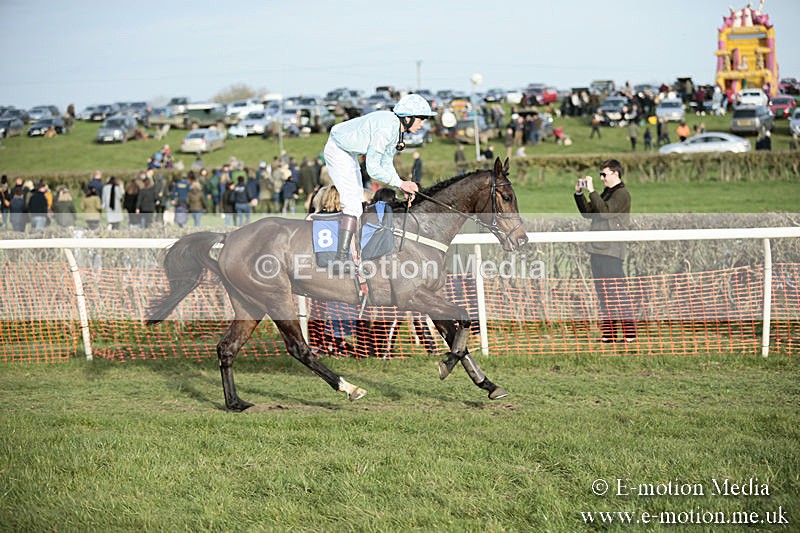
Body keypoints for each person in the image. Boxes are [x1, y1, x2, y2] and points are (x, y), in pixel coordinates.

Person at [323, 93, 430, 270]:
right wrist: (400, 183)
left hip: (348, 152)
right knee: (353, 207)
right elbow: (373, 168)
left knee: (359, 203)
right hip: (338, 150)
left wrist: (400, 183)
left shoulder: (396, 130)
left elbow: (385, 163)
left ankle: (353, 251)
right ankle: (340, 259)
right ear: (408, 118)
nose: (422, 124)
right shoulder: (387, 128)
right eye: (421, 119)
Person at [574, 159, 636, 343]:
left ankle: (629, 334)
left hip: (611, 252)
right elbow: (589, 213)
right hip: (598, 251)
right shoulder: (607, 193)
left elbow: (604, 212)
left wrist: (592, 191)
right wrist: (579, 193)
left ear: (616, 174)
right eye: (600, 174)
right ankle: (609, 334)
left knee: (617, 294)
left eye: (604, 174)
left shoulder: (622, 194)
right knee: (603, 296)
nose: (601, 178)